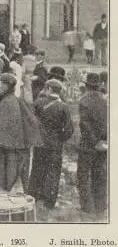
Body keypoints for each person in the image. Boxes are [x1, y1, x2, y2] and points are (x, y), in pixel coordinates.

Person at [0, 73, 43, 193]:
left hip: (10, 146)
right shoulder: (12, 99)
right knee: (11, 174)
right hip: (13, 145)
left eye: (1, 83)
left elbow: (7, 125)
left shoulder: (8, 102)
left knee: (9, 176)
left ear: (7, 86)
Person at [28, 79, 74, 210]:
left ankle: (33, 195)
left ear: (48, 89)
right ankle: (49, 201)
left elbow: (31, 121)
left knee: (37, 168)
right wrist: (60, 138)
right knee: (53, 171)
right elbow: (70, 129)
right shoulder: (64, 107)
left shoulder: (38, 102)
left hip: (40, 142)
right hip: (55, 144)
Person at [77, 73, 108, 216]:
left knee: (83, 175)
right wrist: (103, 140)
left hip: (88, 144)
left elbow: (84, 124)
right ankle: (100, 206)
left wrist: (94, 141)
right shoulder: (104, 100)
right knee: (100, 174)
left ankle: (86, 207)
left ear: (87, 86)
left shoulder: (84, 101)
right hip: (102, 144)